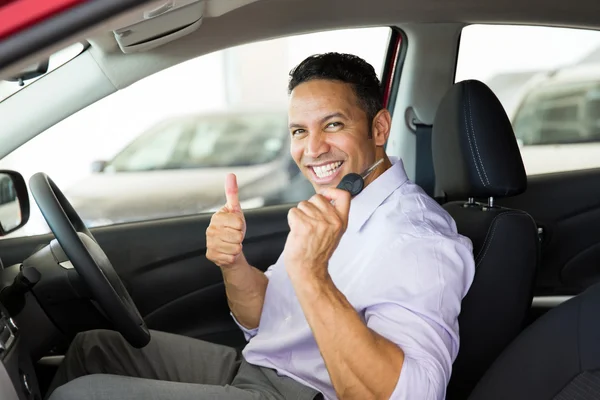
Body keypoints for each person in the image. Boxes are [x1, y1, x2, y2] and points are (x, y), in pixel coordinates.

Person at [47, 53, 475, 400]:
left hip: (304, 393)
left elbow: (406, 395)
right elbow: (264, 319)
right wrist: (233, 264)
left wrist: (312, 274)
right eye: (298, 131)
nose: (312, 149)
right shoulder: (334, 204)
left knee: (82, 396)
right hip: (259, 369)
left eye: (333, 124)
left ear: (378, 128)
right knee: (94, 348)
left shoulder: (419, 241)